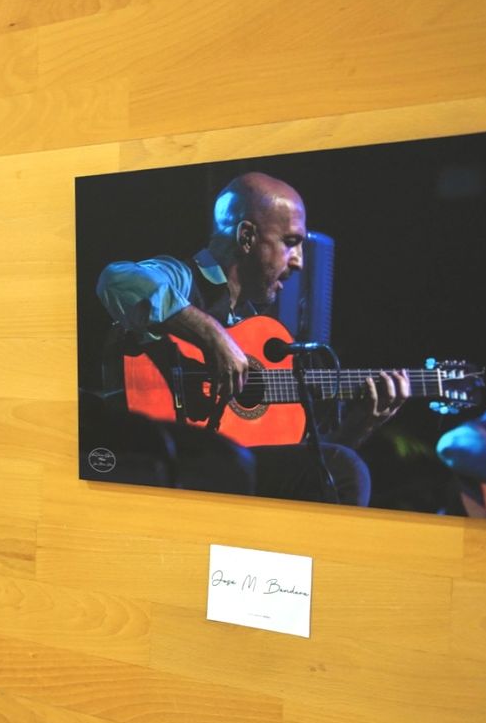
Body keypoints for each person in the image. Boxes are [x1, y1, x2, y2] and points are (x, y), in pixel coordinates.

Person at [95, 172, 410, 505]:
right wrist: (210, 334)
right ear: (246, 237)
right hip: (156, 452)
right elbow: (116, 279)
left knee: (338, 470)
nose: (300, 261)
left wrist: (361, 424)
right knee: (347, 469)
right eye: (291, 242)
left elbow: (309, 469)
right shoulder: (183, 278)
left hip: (221, 469)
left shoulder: (259, 330)